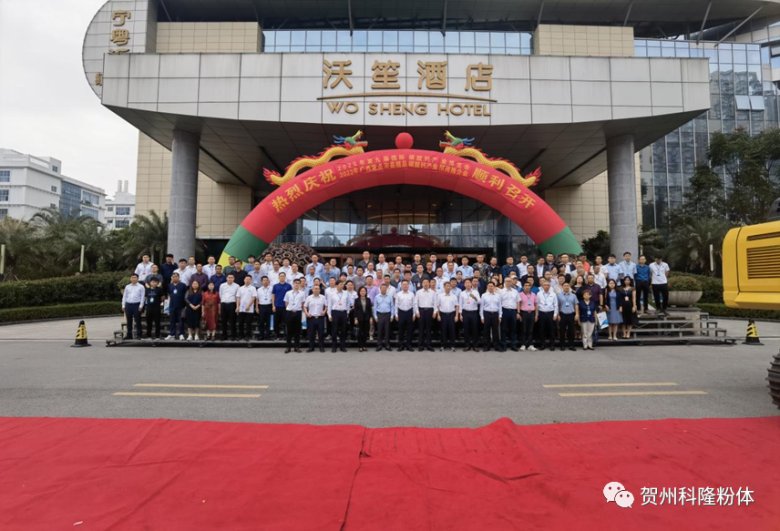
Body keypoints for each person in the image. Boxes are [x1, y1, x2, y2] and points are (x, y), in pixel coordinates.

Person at [283, 279, 306, 353]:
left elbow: (303, 303)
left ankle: (297, 347)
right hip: (289, 312)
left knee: (297, 331)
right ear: (293, 284)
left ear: (300, 284)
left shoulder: (302, 293)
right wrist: (290, 309)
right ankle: (288, 347)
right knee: (289, 330)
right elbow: (286, 302)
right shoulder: (288, 293)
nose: (297, 284)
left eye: (298, 283)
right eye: (295, 283)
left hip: (298, 312)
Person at [459, 278, 481, 351]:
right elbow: (460, 304)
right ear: (464, 285)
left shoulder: (475, 292)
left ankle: (475, 345)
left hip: (474, 312)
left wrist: (474, 298)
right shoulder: (462, 293)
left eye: (469, 283)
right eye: (466, 283)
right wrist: (460, 314)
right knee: (466, 329)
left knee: (475, 329)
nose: (468, 284)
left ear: (471, 284)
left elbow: (479, 302)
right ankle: (467, 345)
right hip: (465, 312)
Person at [414, 278, 436, 351]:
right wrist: (417, 312)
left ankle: (429, 345)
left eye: (427, 282)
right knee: (421, 329)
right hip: (421, 311)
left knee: (429, 329)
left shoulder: (433, 292)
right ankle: (421, 345)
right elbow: (415, 303)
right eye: (424, 282)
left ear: (429, 283)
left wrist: (435, 312)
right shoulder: (418, 292)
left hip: (430, 311)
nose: (425, 284)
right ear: (422, 284)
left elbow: (435, 303)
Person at [304, 284, 327, 352]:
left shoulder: (323, 297)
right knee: (311, 333)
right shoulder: (309, 298)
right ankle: (311, 347)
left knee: (321, 333)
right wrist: (306, 313)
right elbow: (305, 306)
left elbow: (326, 306)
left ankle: (321, 347)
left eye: (318, 289)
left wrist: (324, 311)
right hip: (311, 318)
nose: (316, 290)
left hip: (320, 318)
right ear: (312, 290)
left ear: (320, 290)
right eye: (315, 289)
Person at [328, 281, 350, 352]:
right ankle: (334, 346)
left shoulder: (346, 293)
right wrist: (329, 315)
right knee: (334, 330)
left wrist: (347, 312)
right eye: (340, 284)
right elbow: (329, 305)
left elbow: (348, 304)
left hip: (343, 312)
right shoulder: (332, 294)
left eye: (343, 284)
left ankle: (342, 346)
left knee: (343, 330)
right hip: (335, 312)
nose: (342, 286)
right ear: (336, 285)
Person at [436, 282, 459, 351]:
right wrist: (438, 315)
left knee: (452, 330)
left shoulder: (454, 296)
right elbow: (437, 306)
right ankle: (443, 345)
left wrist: (456, 316)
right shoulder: (440, 296)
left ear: (451, 287)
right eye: (446, 286)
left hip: (451, 314)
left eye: (449, 286)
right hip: (443, 314)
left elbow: (457, 306)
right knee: (443, 330)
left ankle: (452, 346)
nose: (448, 287)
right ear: (444, 287)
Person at [536, 280, 559, 350]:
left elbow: (556, 305)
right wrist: (537, 314)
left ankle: (552, 345)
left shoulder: (553, 294)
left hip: (550, 313)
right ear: (542, 286)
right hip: (542, 313)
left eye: (548, 285)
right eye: (545, 285)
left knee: (551, 330)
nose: (546, 286)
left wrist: (555, 314)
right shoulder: (539, 294)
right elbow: (537, 304)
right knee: (542, 329)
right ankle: (542, 345)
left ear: (550, 286)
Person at [122, 273, 145, 340]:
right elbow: (124, 296)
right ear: (130, 278)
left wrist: (141, 306)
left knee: (138, 320)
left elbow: (142, 297)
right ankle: (129, 335)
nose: (133, 279)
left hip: (136, 305)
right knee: (129, 321)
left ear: (137, 279)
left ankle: (139, 335)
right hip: (128, 305)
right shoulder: (127, 286)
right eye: (132, 277)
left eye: (135, 277)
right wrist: (123, 305)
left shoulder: (141, 287)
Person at [480, 281, 501, 351]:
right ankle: (486, 346)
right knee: (486, 331)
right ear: (487, 287)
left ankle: (496, 346)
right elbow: (481, 307)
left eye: (492, 286)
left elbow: (500, 307)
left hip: (495, 314)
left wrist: (500, 316)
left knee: (495, 331)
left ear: (494, 287)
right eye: (489, 286)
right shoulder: (483, 295)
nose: (490, 287)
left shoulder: (498, 295)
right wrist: (482, 317)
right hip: (487, 314)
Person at [499, 278, 520, 351]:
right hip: (504, 311)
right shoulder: (501, 291)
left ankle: (513, 345)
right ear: (504, 282)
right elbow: (499, 303)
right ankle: (503, 345)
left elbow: (518, 302)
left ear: (512, 282)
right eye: (507, 281)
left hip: (513, 311)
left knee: (513, 328)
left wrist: (518, 312)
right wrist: (500, 314)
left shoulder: (515, 291)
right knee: (503, 329)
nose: (508, 283)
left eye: (510, 281)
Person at [394, 280, 415, 351]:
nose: (405, 286)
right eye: (403, 285)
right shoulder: (398, 294)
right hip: (401, 312)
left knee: (410, 330)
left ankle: (409, 345)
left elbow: (414, 304)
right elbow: (396, 305)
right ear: (401, 286)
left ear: (408, 286)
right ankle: (401, 345)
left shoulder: (412, 294)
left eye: (406, 284)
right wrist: (396, 314)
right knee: (401, 330)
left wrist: (414, 314)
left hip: (409, 312)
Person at [556, 282, 578, 351]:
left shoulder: (573, 295)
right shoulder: (559, 295)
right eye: (565, 286)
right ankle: (562, 345)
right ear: (562, 287)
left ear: (569, 287)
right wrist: (558, 314)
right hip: (562, 314)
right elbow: (557, 306)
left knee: (571, 331)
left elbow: (576, 305)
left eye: (567, 286)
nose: (566, 287)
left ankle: (571, 345)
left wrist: (577, 314)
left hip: (571, 314)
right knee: (562, 330)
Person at [373, 284, 394, 351]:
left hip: (387, 314)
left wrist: (392, 315)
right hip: (380, 314)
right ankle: (379, 345)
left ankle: (387, 345)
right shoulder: (377, 297)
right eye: (382, 288)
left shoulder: (390, 296)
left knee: (387, 330)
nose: (384, 289)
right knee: (379, 330)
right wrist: (375, 316)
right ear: (380, 289)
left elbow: (392, 306)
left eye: (385, 288)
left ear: (386, 289)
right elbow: (375, 307)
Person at [166, 272, 186, 340]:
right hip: (172, 305)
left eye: (176, 276)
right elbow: (169, 295)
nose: (175, 278)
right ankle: (172, 334)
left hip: (181, 305)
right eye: (173, 277)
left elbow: (185, 295)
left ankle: (181, 334)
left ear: (179, 277)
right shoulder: (169, 285)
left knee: (181, 321)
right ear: (172, 278)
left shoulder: (183, 285)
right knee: (172, 320)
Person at [219, 273, 239, 340]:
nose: (230, 279)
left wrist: (237, 306)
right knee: (223, 321)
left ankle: (233, 336)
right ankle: (224, 336)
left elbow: (237, 296)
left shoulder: (237, 286)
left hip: (232, 304)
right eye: (229, 277)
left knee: (233, 321)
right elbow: (220, 294)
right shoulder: (222, 285)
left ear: (234, 279)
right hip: (224, 304)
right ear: (226, 278)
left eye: (231, 277)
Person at [237, 275, 257, 340]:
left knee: (248, 323)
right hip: (241, 309)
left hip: (249, 309)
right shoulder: (240, 288)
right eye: (246, 279)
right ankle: (241, 335)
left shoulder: (253, 288)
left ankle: (248, 336)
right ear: (244, 280)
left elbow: (253, 297)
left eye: (249, 279)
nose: (247, 280)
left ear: (251, 280)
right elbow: (238, 298)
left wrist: (248, 305)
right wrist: (237, 307)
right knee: (240, 323)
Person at [272, 272, 292, 339]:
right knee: (276, 322)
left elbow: (290, 297)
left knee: (285, 322)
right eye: (281, 276)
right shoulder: (275, 286)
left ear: (285, 277)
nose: (282, 277)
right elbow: (273, 296)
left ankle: (285, 335)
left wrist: (289, 306)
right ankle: (276, 335)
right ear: (279, 277)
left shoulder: (288, 286)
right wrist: (273, 305)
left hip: (285, 307)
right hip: (277, 306)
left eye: (283, 276)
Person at [353, 286, 373, 352]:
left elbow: (370, 310)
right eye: (361, 291)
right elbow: (355, 310)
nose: (363, 292)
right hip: (359, 318)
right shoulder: (356, 300)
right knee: (360, 332)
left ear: (366, 292)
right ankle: (360, 346)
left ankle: (364, 345)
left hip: (367, 318)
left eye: (364, 291)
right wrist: (355, 318)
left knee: (365, 332)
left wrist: (371, 317)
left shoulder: (368, 299)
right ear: (359, 292)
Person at [518, 282, 537, 351]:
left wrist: (536, 315)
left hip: (532, 313)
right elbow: (518, 304)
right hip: (524, 313)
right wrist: (518, 313)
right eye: (525, 285)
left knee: (531, 330)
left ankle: (530, 345)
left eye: (528, 286)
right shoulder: (520, 294)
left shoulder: (534, 295)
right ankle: (523, 344)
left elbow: (536, 305)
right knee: (523, 329)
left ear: (530, 287)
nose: (527, 287)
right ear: (523, 287)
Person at [256, 276, 274, 340]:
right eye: (264, 280)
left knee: (269, 322)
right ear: (261, 281)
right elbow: (257, 299)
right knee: (261, 322)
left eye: (266, 280)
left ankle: (268, 336)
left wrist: (273, 306)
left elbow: (273, 298)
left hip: (269, 306)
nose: (265, 281)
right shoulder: (259, 289)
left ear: (268, 281)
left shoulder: (271, 288)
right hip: (261, 306)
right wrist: (257, 308)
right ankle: (261, 335)